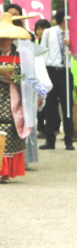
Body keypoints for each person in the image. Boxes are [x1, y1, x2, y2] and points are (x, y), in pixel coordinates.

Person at [0, 13, 34, 184]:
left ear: (11, 39)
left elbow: (29, 79)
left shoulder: (22, 57)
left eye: (5, 38)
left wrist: (14, 78)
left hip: (13, 99)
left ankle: (5, 172)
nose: (1, 41)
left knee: (10, 133)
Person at [39, 8, 75, 150]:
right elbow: (42, 51)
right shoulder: (49, 32)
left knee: (67, 106)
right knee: (50, 107)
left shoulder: (73, 34)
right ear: (62, 19)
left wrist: (71, 46)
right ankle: (50, 140)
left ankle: (69, 140)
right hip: (51, 72)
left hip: (65, 72)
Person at [34, 19, 53, 137]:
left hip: (49, 73)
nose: (41, 31)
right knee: (38, 100)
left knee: (50, 103)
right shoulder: (34, 44)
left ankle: (51, 127)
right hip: (38, 74)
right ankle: (40, 126)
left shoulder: (52, 43)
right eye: (39, 28)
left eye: (43, 28)